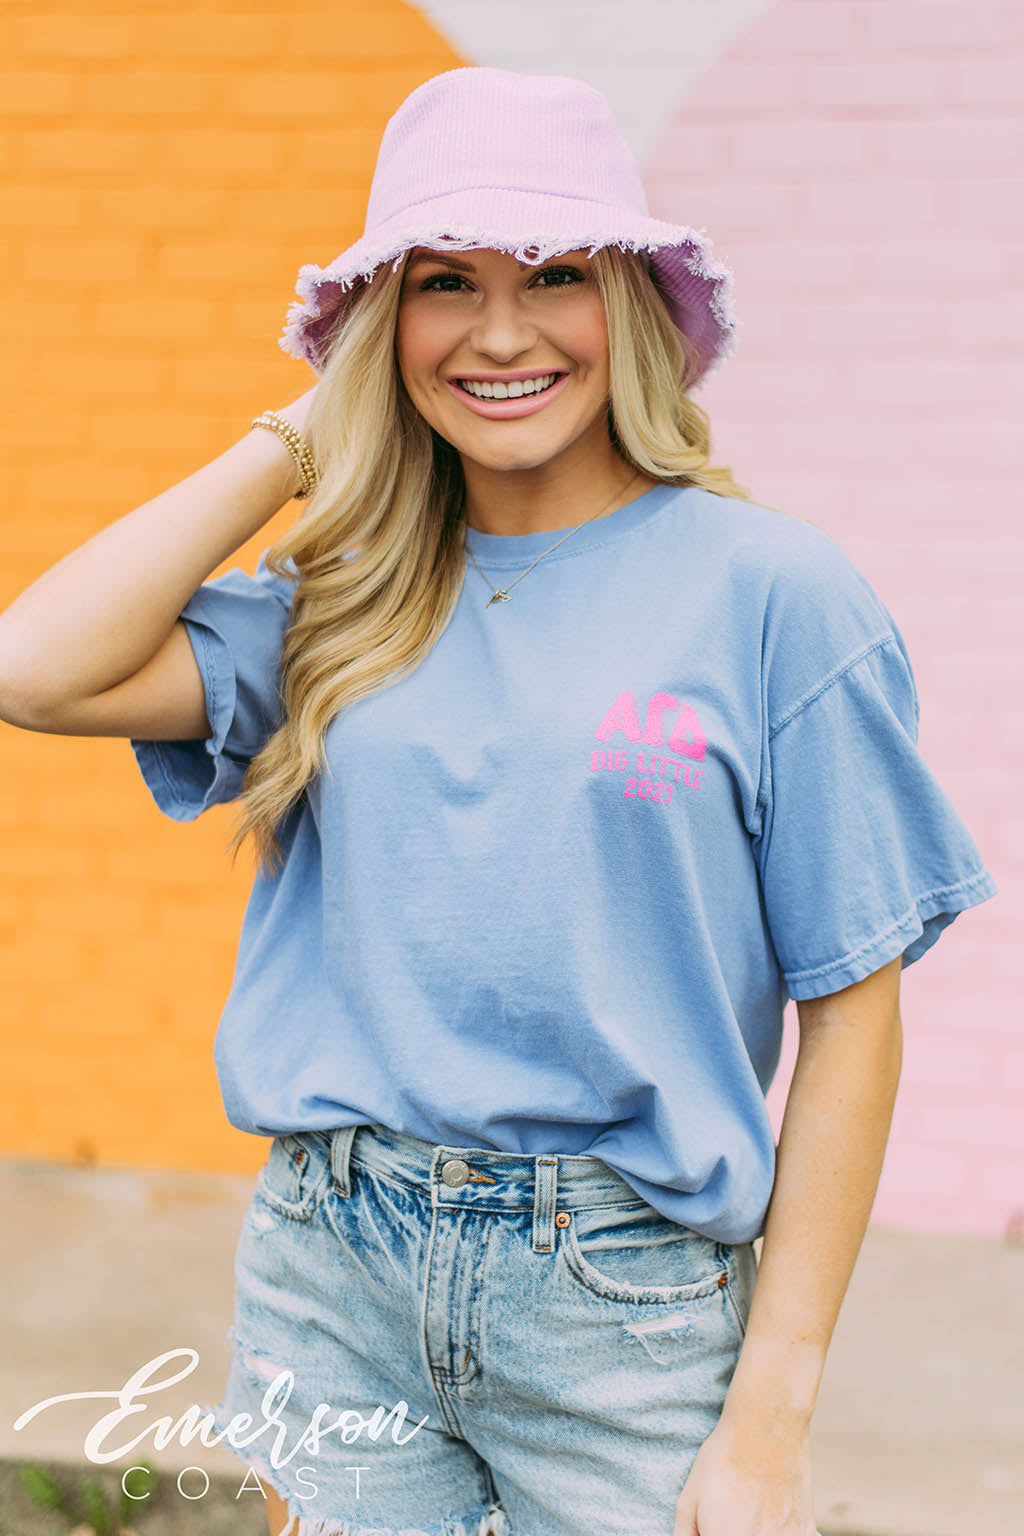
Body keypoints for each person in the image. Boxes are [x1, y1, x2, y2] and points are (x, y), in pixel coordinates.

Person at [0, 66, 997, 1536]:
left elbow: (854, 1013)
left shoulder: (772, 596)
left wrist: (772, 1416)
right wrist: (302, 438)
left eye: (556, 275)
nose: (504, 331)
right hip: (332, 1270)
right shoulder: (340, 603)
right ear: (384, 325)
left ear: (632, 307)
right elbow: (34, 668)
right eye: (446, 283)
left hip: (625, 1305)